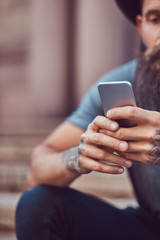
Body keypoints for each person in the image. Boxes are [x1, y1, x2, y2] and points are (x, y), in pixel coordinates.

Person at [16, 0, 160, 239]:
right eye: (155, 20)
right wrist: (77, 157)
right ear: (140, 25)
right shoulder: (123, 82)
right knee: (40, 204)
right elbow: (37, 168)